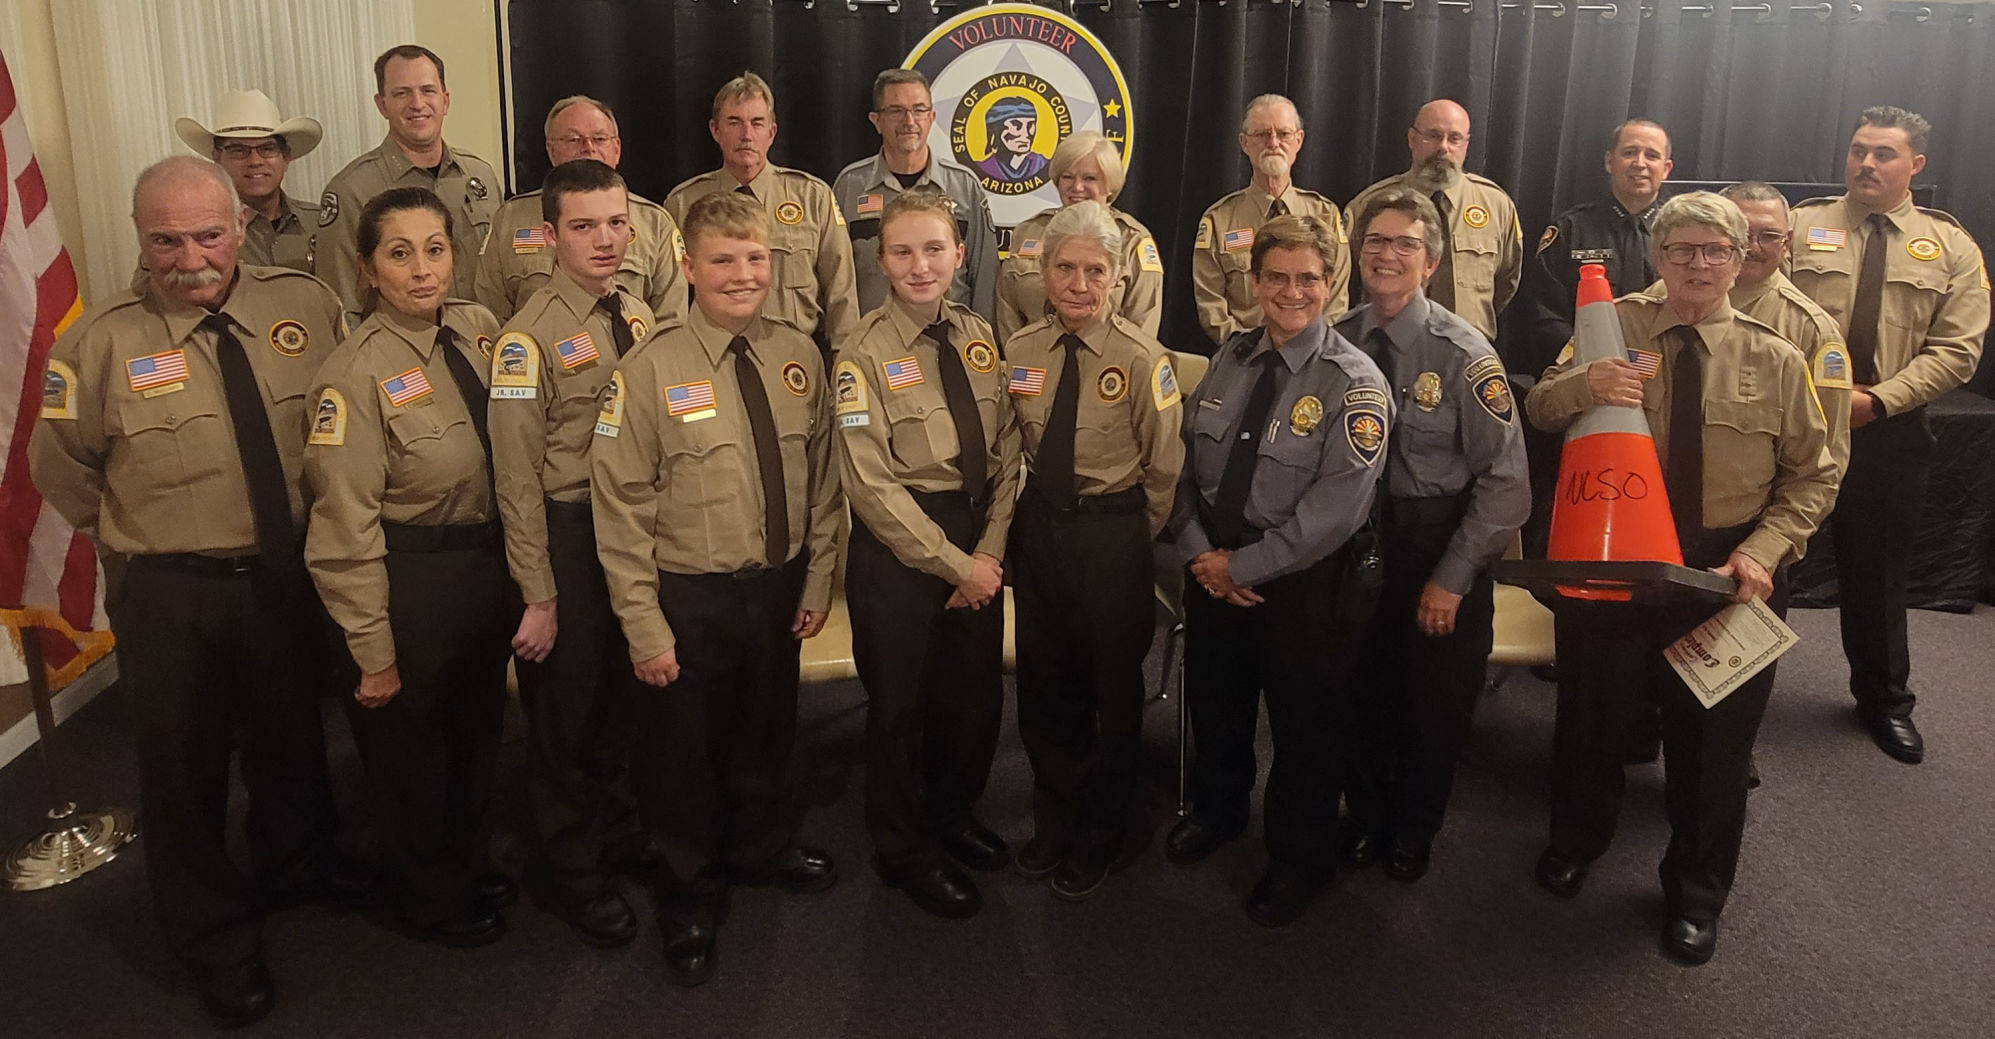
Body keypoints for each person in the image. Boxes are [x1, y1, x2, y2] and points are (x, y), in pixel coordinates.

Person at [29, 157, 346, 1027]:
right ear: (141, 238)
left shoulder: (304, 307)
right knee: (183, 767)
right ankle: (213, 937)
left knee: (291, 734)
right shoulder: (97, 345)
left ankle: (295, 868)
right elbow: (60, 473)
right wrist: (148, 534)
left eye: (208, 233)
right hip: (173, 591)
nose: (189, 256)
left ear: (239, 227)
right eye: (165, 239)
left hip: (285, 573)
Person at [1523, 192, 1838, 965]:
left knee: (1714, 745)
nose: (1697, 265)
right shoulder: (1613, 327)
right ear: (1655, 259)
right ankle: (1575, 840)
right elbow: (1538, 407)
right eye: (1680, 250)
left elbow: (1812, 476)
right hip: (1617, 563)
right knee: (1591, 718)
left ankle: (1695, 890)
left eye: (1714, 251)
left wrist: (1761, 553)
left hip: (1727, 572)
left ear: (1740, 258)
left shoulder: (1775, 351)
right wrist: (1585, 386)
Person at [592, 191, 844, 986]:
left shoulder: (797, 353)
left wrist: (818, 577)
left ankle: (759, 845)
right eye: (723, 261)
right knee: (679, 753)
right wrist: (643, 626)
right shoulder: (649, 369)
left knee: (766, 727)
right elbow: (620, 507)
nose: (742, 275)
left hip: (774, 588)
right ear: (688, 267)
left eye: (756, 259)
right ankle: (689, 887)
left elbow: (825, 479)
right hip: (685, 595)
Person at [303, 187, 517, 949]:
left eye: (435, 248)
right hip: (409, 577)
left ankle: (465, 862)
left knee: (476, 732)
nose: (422, 269)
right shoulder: (351, 376)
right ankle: (427, 897)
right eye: (399, 253)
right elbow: (341, 527)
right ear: (367, 270)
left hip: (486, 567)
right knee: (410, 752)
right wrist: (370, 645)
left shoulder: (481, 329)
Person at [1164, 214, 1390, 926]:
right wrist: (1202, 554)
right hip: (1212, 567)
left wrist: (1243, 566)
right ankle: (1220, 810)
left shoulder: (1354, 384)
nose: (1291, 292)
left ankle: (1300, 858)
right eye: (1276, 278)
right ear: (1255, 282)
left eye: (1308, 279)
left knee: (1305, 730)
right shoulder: (1231, 356)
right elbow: (1183, 466)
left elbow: (1334, 511)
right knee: (1217, 705)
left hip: (1302, 583)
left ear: (1330, 284)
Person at [834, 191, 1023, 918]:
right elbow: (871, 487)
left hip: (979, 538)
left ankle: (952, 813)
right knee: (900, 708)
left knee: (973, 699)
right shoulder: (862, 352)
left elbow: (1008, 453)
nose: (920, 266)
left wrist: (991, 552)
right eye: (904, 251)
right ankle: (903, 847)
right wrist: (957, 566)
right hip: (902, 551)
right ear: (881, 260)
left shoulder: (978, 336)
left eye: (934, 250)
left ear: (958, 255)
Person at [1332, 189, 1528, 882]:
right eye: (1374, 242)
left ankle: (1412, 829)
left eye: (1404, 244)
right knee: (1359, 691)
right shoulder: (1338, 338)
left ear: (1432, 261)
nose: (1386, 255)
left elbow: (1506, 484)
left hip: (1434, 546)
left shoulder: (1462, 354)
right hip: (1355, 545)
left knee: (1432, 707)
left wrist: (1452, 577)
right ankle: (1363, 814)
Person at [1788, 106, 1991, 765]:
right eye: (1856, 150)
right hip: (1791, 423)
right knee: (1763, 563)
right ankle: (1733, 694)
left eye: (1882, 153)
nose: (1865, 163)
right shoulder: (1797, 226)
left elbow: (1956, 351)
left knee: (1875, 574)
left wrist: (1876, 401)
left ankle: (1882, 700)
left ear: (1914, 166)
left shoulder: (1951, 246)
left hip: (1887, 431)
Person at [488, 159, 656, 949]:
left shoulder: (639, 312)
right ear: (549, 236)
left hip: (633, 533)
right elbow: (515, 476)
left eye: (616, 222)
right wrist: (539, 591)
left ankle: (617, 834)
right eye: (584, 226)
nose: (604, 239)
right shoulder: (527, 338)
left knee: (622, 698)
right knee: (566, 710)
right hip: (569, 532)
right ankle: (572, 870)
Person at [1005, 200, 1184, 901]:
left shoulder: (1143, 359)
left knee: (1111, 686)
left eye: (1094, 271)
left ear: (1115, 278)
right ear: (1043, 272)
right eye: (1065, 268)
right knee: (1045, 683)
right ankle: (1054, 817)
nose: (1079, 284)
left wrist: (1124, 539)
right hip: (1043, 529)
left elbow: (1164, 469)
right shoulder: (1019, 353)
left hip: (1114, 532)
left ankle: (1104, 828)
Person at [1516, 118, 1674, 561]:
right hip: (1582, 394)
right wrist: (1594, 372)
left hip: (1663, 398)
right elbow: (1543, 318)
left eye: (1650, 155)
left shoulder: (1685, 234)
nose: (1639, 164)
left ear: (1667, 167)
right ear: (1609, 161)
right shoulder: (1571, 231)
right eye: (1629, 152)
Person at [664, 71, 860, 350]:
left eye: (757, 123)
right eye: (734, 122)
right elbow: (672, 295)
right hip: (712, 356)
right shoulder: (683, 203)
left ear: (772, 132)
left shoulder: (812, 197)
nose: (746, 135)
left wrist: (845, 360)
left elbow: (841, 291)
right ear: (715, 130)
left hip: (799, 356)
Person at [473, 96, 689, 325]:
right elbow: (490, 317)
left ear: (617, 149)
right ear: (551, 150)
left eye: (599, 138)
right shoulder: (510, 218)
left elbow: (671, 324)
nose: (588, 148)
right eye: (573, 139)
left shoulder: (654, 222)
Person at [320, 44, 500, 316]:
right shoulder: (351, 190)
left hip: (480, 342)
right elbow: (342, 308)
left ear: (445, 100)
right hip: (398, 351)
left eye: (427, 91)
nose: (417, 104)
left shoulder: (479, 175)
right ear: (382, 105)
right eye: (402, 93)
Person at [1343, 99, 1523, 342]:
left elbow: (1506, 282)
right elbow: (1348, 281)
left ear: (1466, 144)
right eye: (1433, 135)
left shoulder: (1496, 205)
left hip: (1468, 357)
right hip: (1387, 356)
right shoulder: (1369, 205)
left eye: (1454, 138)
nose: (1443, 147)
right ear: (1412, 139)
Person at [832, 68, 999, 320]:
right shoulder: (850, 186)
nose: (909, 121)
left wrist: (981, 344)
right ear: (876, 121)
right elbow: (838, 278)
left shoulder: (964, 186)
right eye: (896, 111)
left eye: (919, 110)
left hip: (951, 340)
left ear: (931, 117)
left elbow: (985, 277)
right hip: (875, 343)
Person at [1716, 182, 1852, 478]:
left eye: (1768, 236)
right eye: (1738, 232)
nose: (1752, 246)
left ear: (1787, 241)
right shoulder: (1659, 303)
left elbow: (1824, 461)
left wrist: (1782, 526)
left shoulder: (1812, 331)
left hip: (1758, 519)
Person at [1192, 94, 1351, 348]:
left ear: (1298, 141)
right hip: (1244, 359)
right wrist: (1251, 351)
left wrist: (1309, 351)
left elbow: (1336, 299)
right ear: (1244, 143)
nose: (1274, 143)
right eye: (1262, 134)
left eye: (1283, 134)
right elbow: (1211, 306)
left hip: (1315, 359)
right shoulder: (1219, 220)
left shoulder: (1325, 216)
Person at [996, 131, 1165, 343]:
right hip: (1034, 363)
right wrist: (1021, 356)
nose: (1077, 187)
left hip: (1108, 368)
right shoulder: (1028, 231)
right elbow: (1007, 310)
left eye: (1089, 178)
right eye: (1068, 176)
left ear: (1110, 184)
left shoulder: (1133, 241)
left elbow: (1142, 329)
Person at [171, 89, 324, 273]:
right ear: (217, 158)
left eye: (267, 148)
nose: (255, 161)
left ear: (286, 157)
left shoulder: (318, 223)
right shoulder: (193, 231)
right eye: (238, 150)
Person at [975, 96, 1047, 183]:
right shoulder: (982, 169)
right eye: (1016, 125)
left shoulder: (1042, 164)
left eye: (1030, 125)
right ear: (997, 129)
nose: (1026, 134)